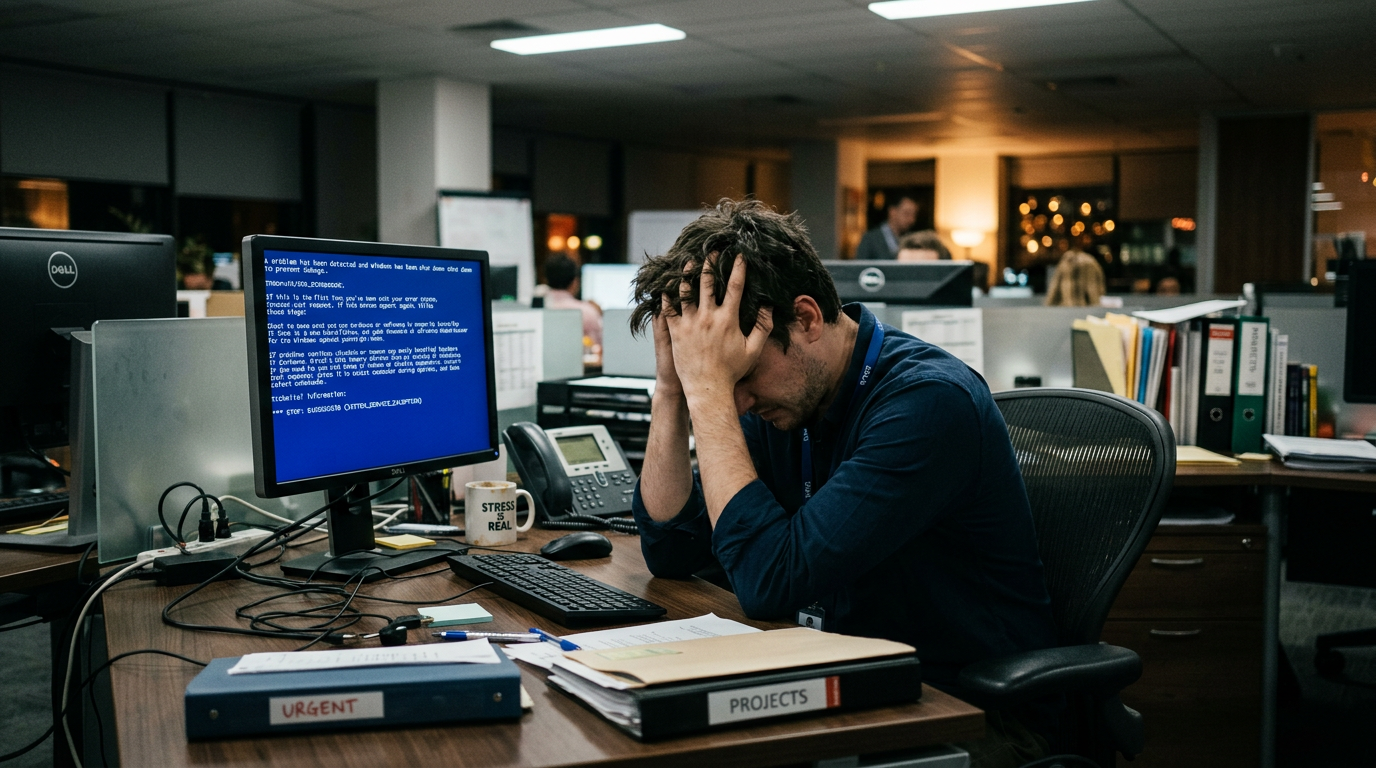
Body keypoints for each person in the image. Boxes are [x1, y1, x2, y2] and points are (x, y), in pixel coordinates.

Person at [629, 199, 1059, 767]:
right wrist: (672, 390)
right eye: (716, 376)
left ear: (805, 318)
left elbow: (768, 579)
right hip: (843, 684)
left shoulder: (928, 403)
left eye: (742, 373)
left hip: (962, 714)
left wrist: (710, 391)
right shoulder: (780, 399)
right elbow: (671, 550)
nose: (737, 401)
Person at [542, 254, 603, 347]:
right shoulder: (587, 311)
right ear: (575, 282)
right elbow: (600, 345)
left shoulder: (538, 309)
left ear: (545, 279)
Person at [854, 194, 918, 260]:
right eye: (906, 213)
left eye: (914, 215)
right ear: (892, 212)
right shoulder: (870, 239)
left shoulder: (912, 239)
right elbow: (860, 267)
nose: (912, 219)